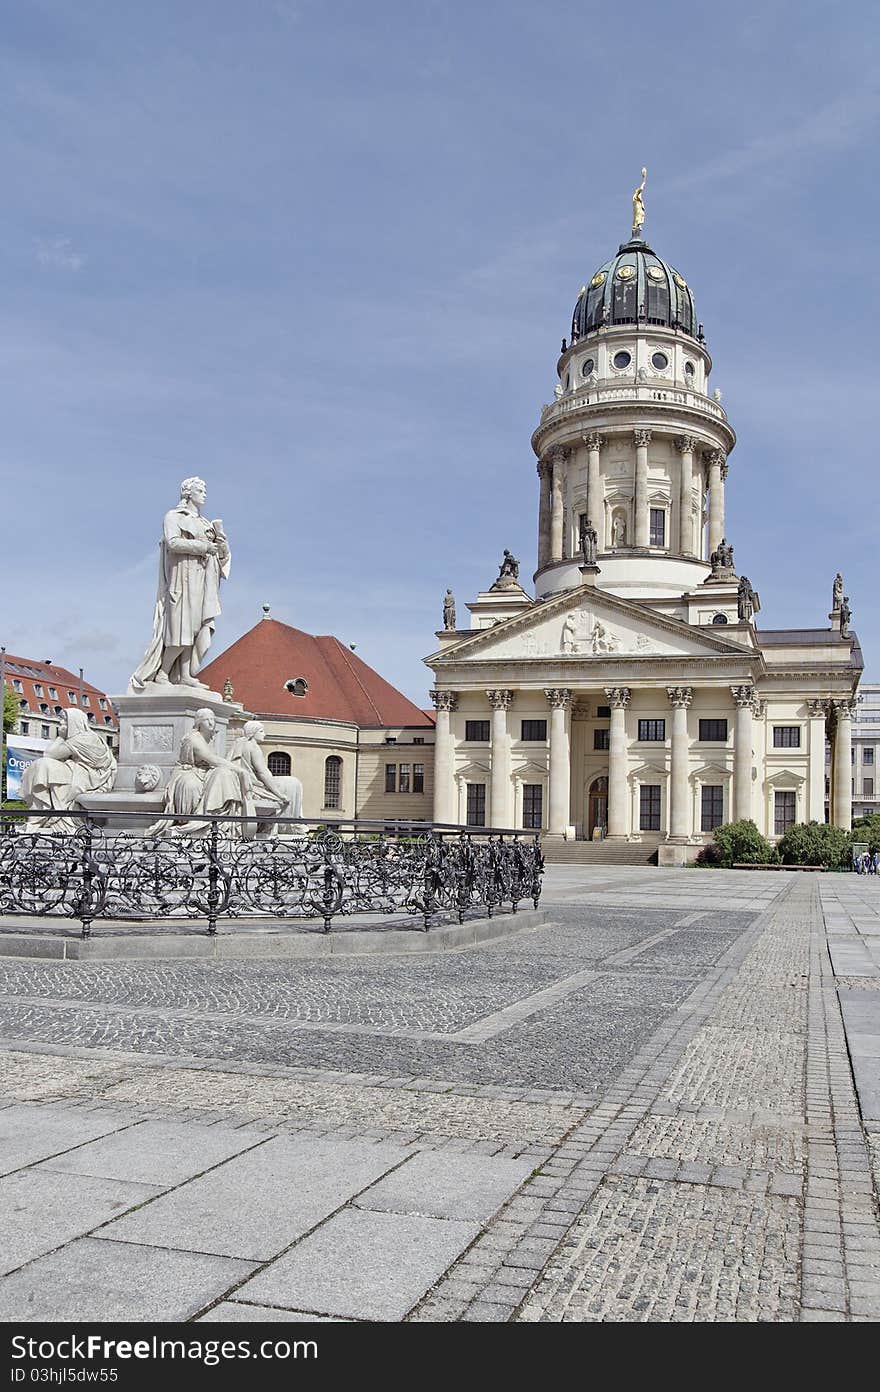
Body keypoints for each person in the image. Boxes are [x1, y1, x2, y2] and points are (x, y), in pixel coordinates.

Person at [130, 477, 231, 691]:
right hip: (182, 578)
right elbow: (173, 542)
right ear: (188, 493)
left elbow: (221, 557)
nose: (204, 494)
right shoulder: (173, 516)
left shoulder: (206, 524)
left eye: (205, 490)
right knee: (180, 628)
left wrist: (221, 544)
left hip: (203, 580)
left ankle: (185, 674)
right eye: (200, 490)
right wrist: (203, 547)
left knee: (195, 628)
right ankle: (164, 672)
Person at [21, 707, 117, 833]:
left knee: (43, 766)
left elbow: (49, 754)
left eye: (65, 721)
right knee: (42, 767)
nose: (61, 723)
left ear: (74, 723)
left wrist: (60, 737)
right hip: (79, 771)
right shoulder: (83, 737)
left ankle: (38, 817)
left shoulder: (82, 739)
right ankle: (38, 817)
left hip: (89, 776)